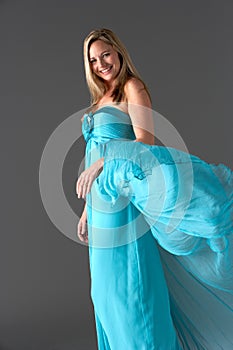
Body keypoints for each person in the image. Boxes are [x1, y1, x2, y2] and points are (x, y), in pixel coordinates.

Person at [76, 28, 233, 350]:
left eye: (106, 54)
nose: (101, 63)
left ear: (118, 52)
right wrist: (86, 209)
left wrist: (106, 159)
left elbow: (145, 141)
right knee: (104, 294)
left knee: (130, 289)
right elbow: (92, 159)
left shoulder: (132, 87)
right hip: (101, 202)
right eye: (93, 60)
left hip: (122, 200)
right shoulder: (98, 102)